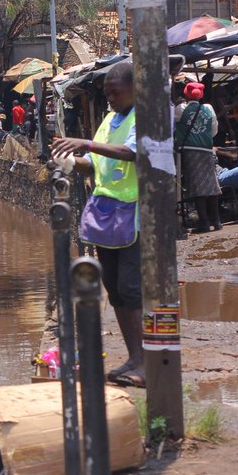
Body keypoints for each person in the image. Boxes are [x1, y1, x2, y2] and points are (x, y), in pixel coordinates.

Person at [51, 61, 144, 388]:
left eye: (115, 93)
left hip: (133, 213)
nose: (110, 100)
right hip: (107, 214)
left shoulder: (144, 117)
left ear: (134, 88)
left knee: (132, 289)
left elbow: (131, 153)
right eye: (107, 94)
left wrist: (85, 143)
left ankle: (146, 362)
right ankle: (134, 357)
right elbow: (94, 164)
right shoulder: (109, 120)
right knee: (116, 291)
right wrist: (69, 160)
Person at [176, 82, 223, 232]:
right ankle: (217, 221)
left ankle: (204, 222)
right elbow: (214, 131)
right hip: (206, 150)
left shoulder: (180, 108)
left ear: (186, 94)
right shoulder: (208, 108)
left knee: (197, 186)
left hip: (190, 151)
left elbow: (171, 125)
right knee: (211, 185)